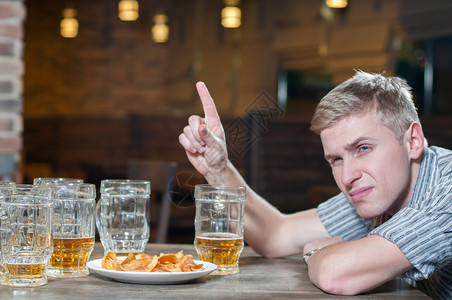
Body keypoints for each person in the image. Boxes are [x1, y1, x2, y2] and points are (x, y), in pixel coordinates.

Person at [178, 70, 452, 299]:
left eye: (364, 148)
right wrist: (218, 169)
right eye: (335, 159)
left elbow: (335, 275)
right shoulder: (379, 190)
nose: (347, 177)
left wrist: (318, 252)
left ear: (413, 141)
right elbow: (276, 236)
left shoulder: (447, 186)